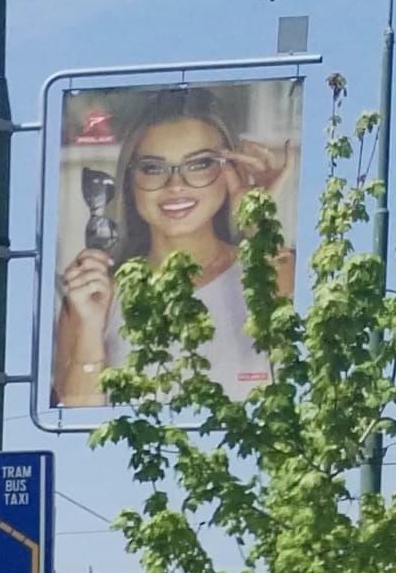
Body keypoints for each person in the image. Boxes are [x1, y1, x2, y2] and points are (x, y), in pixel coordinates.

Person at [51, 89, 296, 407]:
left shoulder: (276, 265)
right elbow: (77, 423)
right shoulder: (94, 296)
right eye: (153, 168)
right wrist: (90, 329)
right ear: (129, 178)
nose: (175, 185)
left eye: (199, 164)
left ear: (230, 171)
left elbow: (301, 372)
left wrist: (257, 220)